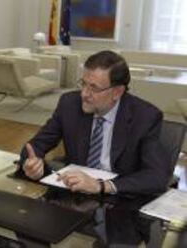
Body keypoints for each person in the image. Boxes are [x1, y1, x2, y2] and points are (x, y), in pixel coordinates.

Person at [18, 50, 171, 195]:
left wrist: (101, 186)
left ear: (117, 92)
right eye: (83, 84)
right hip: (75, 194)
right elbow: (34, 146)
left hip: (119, 199)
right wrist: (32, 164)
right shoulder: (69, 104)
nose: (84, 94)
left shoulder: (145, 116)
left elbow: (157, 176)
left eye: (94, 88)